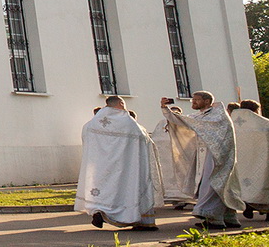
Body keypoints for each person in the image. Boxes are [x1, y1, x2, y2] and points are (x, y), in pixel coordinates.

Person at [75, 96, 161, 231]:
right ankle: (138, 220)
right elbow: (142, 139)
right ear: (121, 103)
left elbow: (87, 140)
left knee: (105, 190)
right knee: (126, 190)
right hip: (126, 165)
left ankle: (100, 212)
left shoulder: (92, 123)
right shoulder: (126, 120)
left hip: (100, 166)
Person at [161, 93, 242, 229]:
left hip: (216, 156)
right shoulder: (202, 116)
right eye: (193, 99)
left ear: (207, 101)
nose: (193, 102)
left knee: (213, 185)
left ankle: (213, 218)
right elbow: (182, 120)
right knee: (215, 185)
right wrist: (165, 109)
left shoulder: (218, 115)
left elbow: (206, 129)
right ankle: (228, 218)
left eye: (197, 100)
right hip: (205, 154)